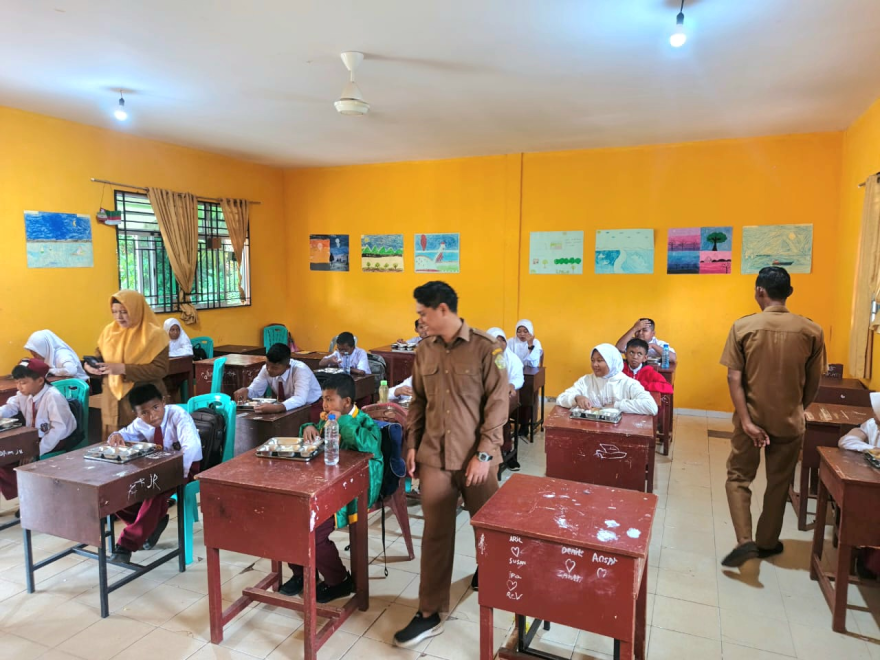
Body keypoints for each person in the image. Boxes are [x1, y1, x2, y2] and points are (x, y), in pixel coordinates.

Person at [393, 282, 508, 649]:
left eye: (423, 313)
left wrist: (485, 454)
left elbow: (499, 403)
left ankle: (494, 582)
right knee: (435, 533)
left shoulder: (487, 348)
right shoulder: (423, 351)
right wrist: (412, 443)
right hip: (434, 458)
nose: (420, 320)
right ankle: (429, 612)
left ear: (443, 309)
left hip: (478, 459)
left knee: (488, 529)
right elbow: (418, 401)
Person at [719, 266, 825, 568]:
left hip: (749, 417)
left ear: (759, 291)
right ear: (789, 293)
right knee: (779, 483)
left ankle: (744, 540)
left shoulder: (743, 327)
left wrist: (748, 422)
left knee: (738, 477)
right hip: (790, 421)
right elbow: (813, 382)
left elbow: (733, 378)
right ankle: (766, 543)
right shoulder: (811, 330)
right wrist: (794, 409)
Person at [277, 373, 382, 602]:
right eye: (323, 399)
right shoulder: (327, 419)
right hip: (324, 483)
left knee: (315, 531)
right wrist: (307, 428)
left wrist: (340, 421)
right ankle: (303, 573)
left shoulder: (364, 421)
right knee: (288, 520)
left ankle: (339, 581)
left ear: (346, 402)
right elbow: (315, 432)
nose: (325, 405)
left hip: (354, 489)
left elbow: (370, 446)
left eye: (330, 399)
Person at [106, 384, 202, 563]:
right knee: (118, 490)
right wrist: (115, 435)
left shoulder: (178, 416)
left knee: (155, 492)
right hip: (157, 469)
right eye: (144, 412)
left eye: (156, 408)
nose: (152, 416)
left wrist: (174, 474)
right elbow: (125, 434)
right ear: (137, 414)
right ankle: (152, 525)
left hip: (186, 467)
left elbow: (192, 447)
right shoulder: (141, 423)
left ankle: (126, 545)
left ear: (164, 402)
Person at [84, 290, 169, 440]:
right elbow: (100, 357)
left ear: (136, 310)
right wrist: (90, 367)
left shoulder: (155, 335)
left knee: (146, 447)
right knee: (115, 446)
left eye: (124, 312)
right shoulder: (109, 332)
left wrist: (123, 369)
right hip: (113, 402)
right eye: (115, 312)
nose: (119, 317)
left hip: (143, 400)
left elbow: (160, 369)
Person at [0, 359, 77, 507]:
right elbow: (9, 407)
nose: (19, 387)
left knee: (9, 457)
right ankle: (26, 495)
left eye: (23, 382)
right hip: (34, 438)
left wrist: (36, 450)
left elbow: (58, 430)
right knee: (3, 456)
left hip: (57, 439)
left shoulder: (52, 396)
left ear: (40, 380)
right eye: (17, 382)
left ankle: (31, 498)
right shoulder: (24, 394)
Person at [838, 391, 880, 579]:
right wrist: (872, 449)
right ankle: (867, 558)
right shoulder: (871, 426)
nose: (875, 418)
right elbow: (846, 440)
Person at [556, 343, 658, 415]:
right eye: (593, 360)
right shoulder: (586, 381)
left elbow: (651, 407)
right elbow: (560, 398)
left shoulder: (628, 383)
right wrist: (577, 398)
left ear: (612, 362)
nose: (595, 365)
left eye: (600, 361)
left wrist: (617, 405)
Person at [233, 343, 322, 419]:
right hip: (287, 406)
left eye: (275, 368)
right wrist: (246, 391)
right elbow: (256, 391)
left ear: (287, 367)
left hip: (312, 406)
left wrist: (277, 408)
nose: (269, 369)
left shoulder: (300, 370)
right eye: (267, 364)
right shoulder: (266, 369)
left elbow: (300, 398)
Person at [487, 327, 525, 472]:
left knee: (500, 416)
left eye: (502, 340)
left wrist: (511, 384)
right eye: (495, 341)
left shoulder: (511, 358)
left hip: (505, 395)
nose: (500, 344)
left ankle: (507, 451)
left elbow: (519, 377)